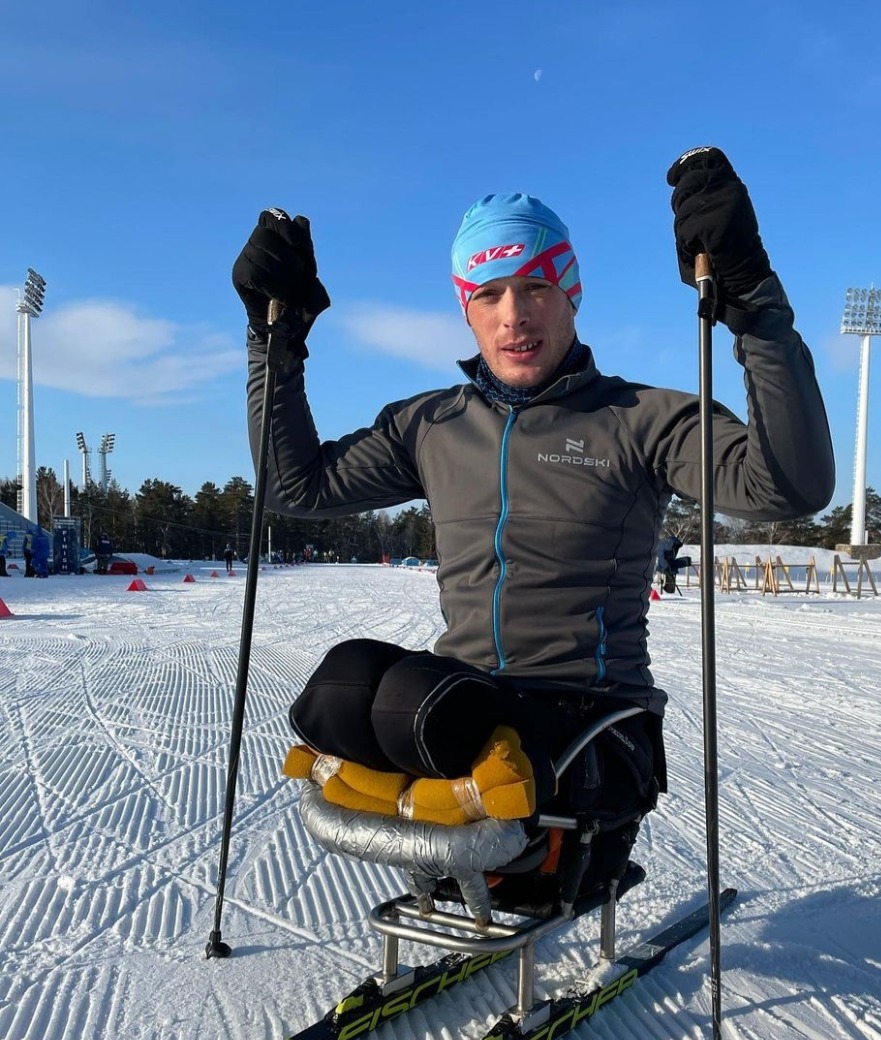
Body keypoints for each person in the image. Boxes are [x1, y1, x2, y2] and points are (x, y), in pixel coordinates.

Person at [232, 148, 834, 887]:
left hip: (591, 730)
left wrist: (754, 308)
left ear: (571, 293)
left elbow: (789, 486)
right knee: (345, 686)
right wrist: (275, 341)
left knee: (416, 709)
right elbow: (295, 485)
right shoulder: (432, 424)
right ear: (466, 308)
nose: (514, 315)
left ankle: (532, 849)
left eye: (535, 287)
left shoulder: (641, 419)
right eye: (488, 294)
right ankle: (467, 835)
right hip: (461, 706)